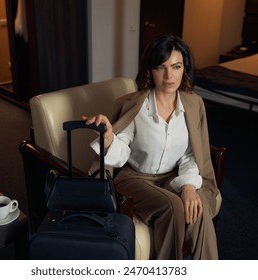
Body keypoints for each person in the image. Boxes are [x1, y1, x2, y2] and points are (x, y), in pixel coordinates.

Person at [83, 34, 220, 260]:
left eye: (176, 67)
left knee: (199, 207)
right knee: (173, 206)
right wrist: (108, 138)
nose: (169, 76)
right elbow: (121, 154)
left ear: (184, 68)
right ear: (150, 71)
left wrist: (188, 186)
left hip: (171, 176)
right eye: (161, 67)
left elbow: (190, 154)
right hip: (134, 178)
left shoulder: (194, 104)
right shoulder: (133, 105)